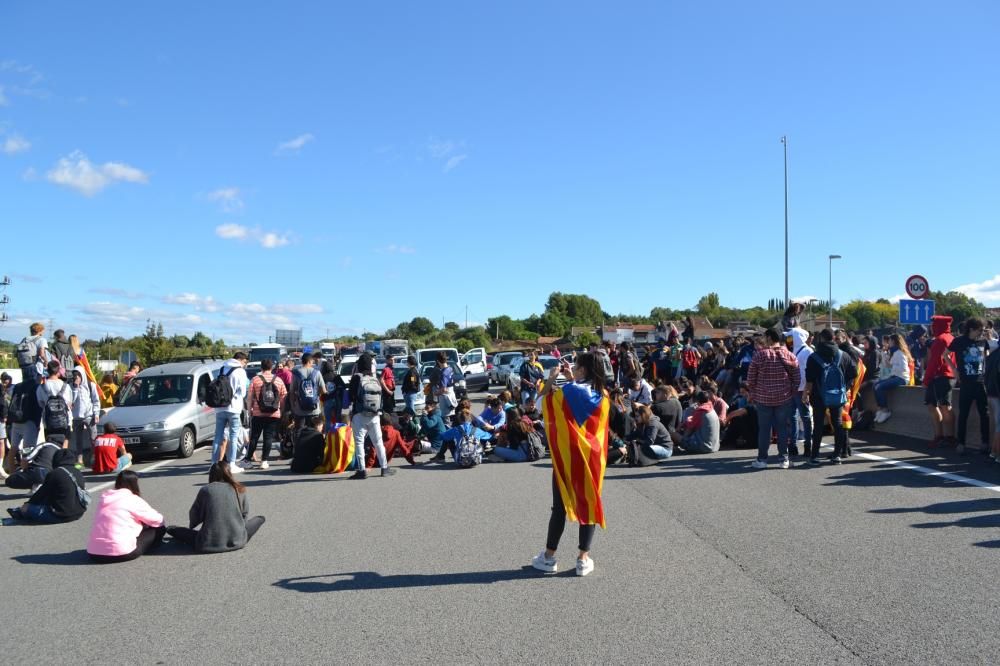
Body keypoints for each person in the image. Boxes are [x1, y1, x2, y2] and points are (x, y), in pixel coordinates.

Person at [531, 352, 608, 577]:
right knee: (589, 502)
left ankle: (549, 556)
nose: (572, 369)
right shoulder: (603, 394)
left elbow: (537, 405)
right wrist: (571, 381)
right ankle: (583, 558)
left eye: (576, 367)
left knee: (559, 507)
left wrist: (552, 378)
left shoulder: (567, 392)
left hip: (568, 457)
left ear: (583, 370)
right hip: (593, 459)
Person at [167, 462, 265, 553]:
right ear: (229, 473)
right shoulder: (239, 488)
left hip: (207, 543)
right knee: (259, 519)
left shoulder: (206, 490)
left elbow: (195, 515)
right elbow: (245, 514)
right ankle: (242, 530)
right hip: (238, 540)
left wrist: (192, 525)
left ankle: (170, 529)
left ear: (211, 475)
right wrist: (238, 527)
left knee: (178, 531)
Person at [746, 328, 800, 469]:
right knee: (782, 429)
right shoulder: (789, 355)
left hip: (763, 398)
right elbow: (797, 378)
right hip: (783, 397)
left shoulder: (760, 355)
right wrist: (791, 391)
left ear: (769, 337)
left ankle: (762, 460)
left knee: (764, 430)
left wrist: (753, 393)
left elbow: (751, 378)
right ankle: (784, 459)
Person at [86, 470, 166, 563]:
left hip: (94, 554)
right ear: (134, 484)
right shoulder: (132, 499)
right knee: (159, 529)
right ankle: (153, 545)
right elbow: (157, 520)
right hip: (122, 553)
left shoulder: (104, 499)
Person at [803, 328, 857, 465]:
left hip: (818, 395)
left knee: (819, 424)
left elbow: (809, 379)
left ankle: (814, 456)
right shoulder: (843, 355)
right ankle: (837, 455)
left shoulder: (813, 357)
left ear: (820, 339)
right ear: (834, 338)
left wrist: (805, 394)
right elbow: (853, 374)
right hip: (838, 395)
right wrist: (845, 388)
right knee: (837, 423)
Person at [947, 317, 990, 454]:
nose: (982, 333)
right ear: (971, 329)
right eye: (980, 330)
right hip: (966, 383)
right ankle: (961, 443)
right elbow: (945, 354)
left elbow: (986, 356)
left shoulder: (983, 342)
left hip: (980, 382)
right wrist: (954, 370)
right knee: (963, 414)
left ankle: (985, 442)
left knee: (985, 414)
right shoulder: (959, 341)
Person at [7, 449, 86, 524]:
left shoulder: (55, 473)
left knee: (28, 509)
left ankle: (20, 512)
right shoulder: (78, 472)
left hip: (60, 515)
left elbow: (41, 494)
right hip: (78, 513)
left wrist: (27, 504)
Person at [347, 353, 394, 479]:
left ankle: (362, 470)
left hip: (359, 414)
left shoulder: (356, 378)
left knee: (359, 442)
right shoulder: (375, 377)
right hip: (374, 415)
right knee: (378, 442)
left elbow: (351, 396)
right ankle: (384, 468)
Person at [242, 358, 287, 470]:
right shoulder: (278, 380)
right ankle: (264, 461)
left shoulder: (255, 379)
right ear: (272, 367)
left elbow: (249, 398)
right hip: (273, 414)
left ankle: (247, 460)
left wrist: (249, 410)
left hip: (258, 413)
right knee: (268, 438)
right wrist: (280, 410)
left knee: (254, 437)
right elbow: (283, 397)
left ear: (261, 367)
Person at [211, 352, 249, 472]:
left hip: (219, 407)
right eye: (245, 362)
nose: (245, 365)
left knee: (218, 436)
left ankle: (214, 463)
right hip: (234, 408)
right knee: (233, 436)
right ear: (241, 360)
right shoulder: (240, 371)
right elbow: (242, 392)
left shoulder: (221, 369)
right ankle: (232, 464)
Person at [923, 315, 956, 447]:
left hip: (940, 377)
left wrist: (926, 380)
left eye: (933, 325)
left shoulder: (940, 340)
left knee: (943, 407)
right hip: (946, 376)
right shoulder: (950, 338)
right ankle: (945, 436)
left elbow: (934, 362)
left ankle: (946, 436)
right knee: (938, 406)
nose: (931, 327)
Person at [426, 408, 490, 464]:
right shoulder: (476, 430)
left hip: (460, 461)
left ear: (459, 419)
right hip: (476, 459)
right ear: (470, 419)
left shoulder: (456, 429)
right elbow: (489, 436)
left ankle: (440, 456)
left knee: (448, 438)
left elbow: (441, 437)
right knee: (481, 439)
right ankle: (481, 454)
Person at [874, 334, 913, 424]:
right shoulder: (895, 352)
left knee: (880, 387)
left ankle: (885, 410)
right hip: (895, 376)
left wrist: (894, 367)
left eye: (890, 341)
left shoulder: (900, 352)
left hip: (901, 378)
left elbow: (903, 368)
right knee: (875, 385)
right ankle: (880, 409)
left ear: (894, 342)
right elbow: (889, 365)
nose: (889, 343)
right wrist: (884, 355)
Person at [787, 327, 813, 457]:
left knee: (805, 418)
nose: (788, 340)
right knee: (792, 418)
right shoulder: (792, 350)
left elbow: (810, 374)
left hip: (802, 390)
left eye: (790, 337)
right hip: (792, 389)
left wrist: (807, 392)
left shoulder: (808, 351)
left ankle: (808, 445)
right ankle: (793, 445)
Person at [290, 352, 327, 437]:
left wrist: (293, 406)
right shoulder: (317, 373)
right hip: (314, 409)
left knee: (299, 433)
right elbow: (324, 391)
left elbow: (292, 392)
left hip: (300, 410)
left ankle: (299, 449)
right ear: (310, 361)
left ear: (302, 362)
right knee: (315, 432)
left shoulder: (296, 374)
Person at [69, 366, 100, 466]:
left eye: (78, 375)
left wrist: (96, 414)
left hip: (89, 416)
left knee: (93, 438)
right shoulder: (70, 387)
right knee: (78, 440)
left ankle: (94, 457)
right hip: (76, 417)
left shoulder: (91, 385)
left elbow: (96, 400)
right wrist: (75, 388)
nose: (76, 377)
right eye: (75, 375)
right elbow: (71, 402)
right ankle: (80, 459)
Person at [36, 360, 73, 444]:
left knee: (51, 446)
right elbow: (69, 404)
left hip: (48, 422)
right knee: (64, 448)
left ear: (48, 371)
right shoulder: (66, 386)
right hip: (65, 422)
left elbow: (40, 404)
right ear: (58, 371)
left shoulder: (41, 387)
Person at [985, 343, 1000, 462]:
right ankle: (997, 453)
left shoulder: (993, 354)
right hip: (997, 393)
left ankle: (994, 452)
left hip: (991, 392)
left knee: (998, 425)